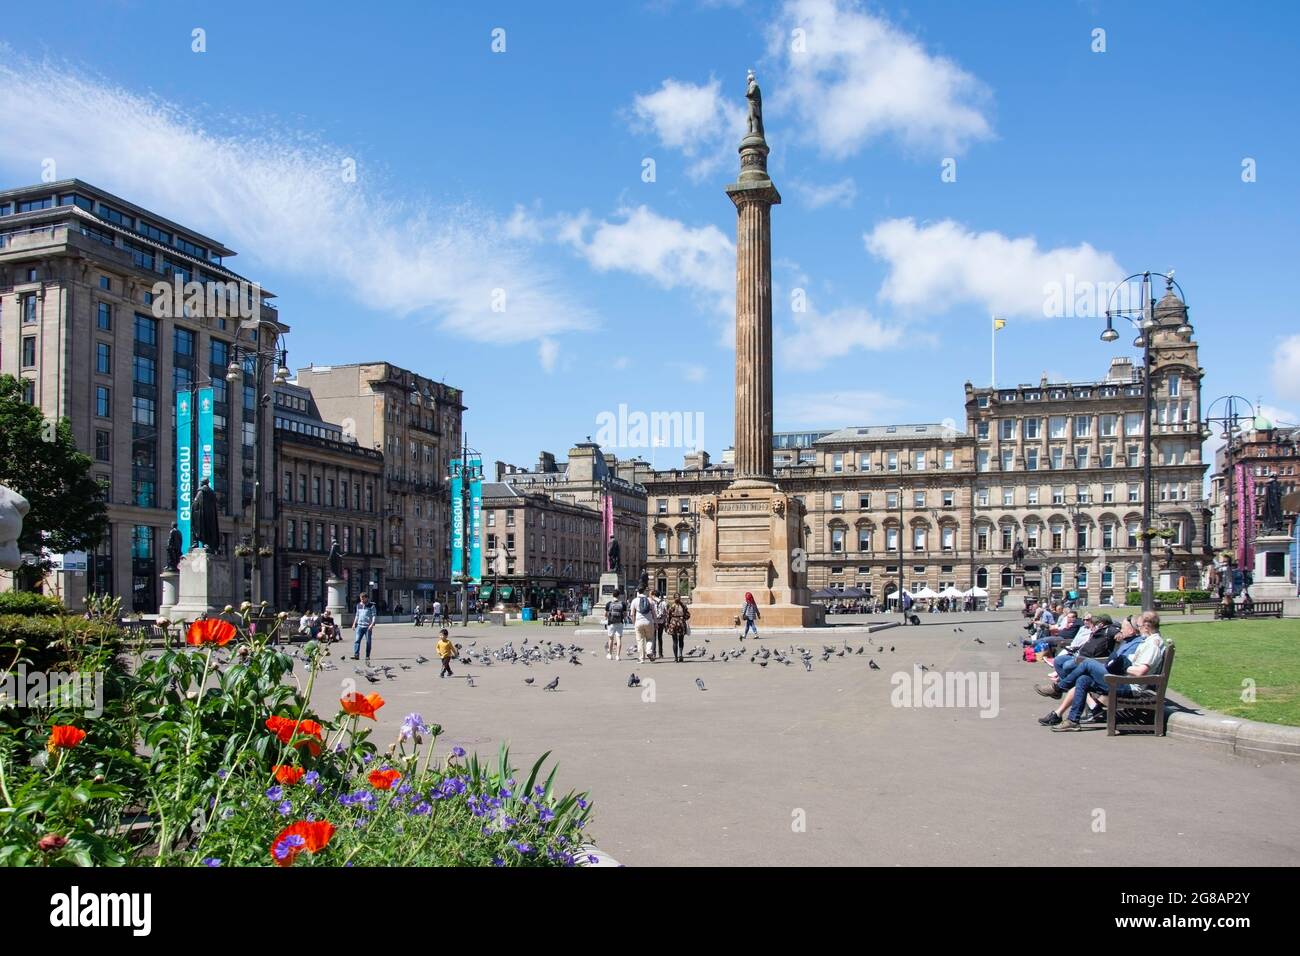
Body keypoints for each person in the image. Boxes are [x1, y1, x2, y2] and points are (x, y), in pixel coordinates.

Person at [632, 586, 655, 663]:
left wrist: (633, 622)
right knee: (650, 638)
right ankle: (649, 651)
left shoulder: (634, 601)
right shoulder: (649, 600)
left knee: (640, 640)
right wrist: (655, 622)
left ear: (638, 592)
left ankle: (641, 658)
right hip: (648, 622)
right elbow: (654, 613)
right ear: (645, 591)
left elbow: (632, 614)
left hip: (638, 622)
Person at [352, 593, 377, 662]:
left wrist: (372, 624)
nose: (362, 600)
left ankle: (367, 655)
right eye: (361, 598)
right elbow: (357, 615)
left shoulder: (371, 606)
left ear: (366, 598)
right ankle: (356, 655)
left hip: (367, 626)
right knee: (357, 640)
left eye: (363, 598)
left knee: (368, 641)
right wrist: (354, 624)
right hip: (359, 626)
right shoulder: (358, 605)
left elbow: (374, 615)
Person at [666, 595, 691, 662]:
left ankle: (675, 657)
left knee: (674, 641)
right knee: (681, 640)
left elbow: (668, 616)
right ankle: (680, 655)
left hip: (673, 623)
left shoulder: (672, 606)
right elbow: (688, 615)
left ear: (674, 598)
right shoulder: (683, 606)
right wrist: (683, 618)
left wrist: (667, 625)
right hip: (681, 623)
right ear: (680, 598)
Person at [604, 590, 627, 661]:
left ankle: (610, 655)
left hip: (611, 623)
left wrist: (607, 617)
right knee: (619, 639)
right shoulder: (623, 604)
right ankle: (618, 656)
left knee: (611, 639)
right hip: (619, 622)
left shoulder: (609, 604)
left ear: (612, 595)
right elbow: (625, 614)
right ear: (619, 596)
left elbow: (605, 614)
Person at [653, 592, 668, 660]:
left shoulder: (652, 602)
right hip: (661, 622)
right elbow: (666, 612)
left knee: (653, 637)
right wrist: (665, 621)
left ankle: (653, 653)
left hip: (654, 621)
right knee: (660, 638)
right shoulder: (663, 602)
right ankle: (660, 654)